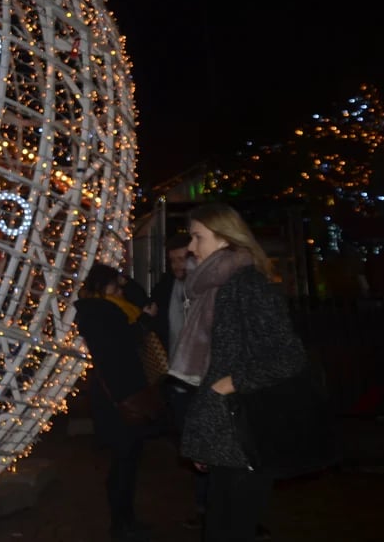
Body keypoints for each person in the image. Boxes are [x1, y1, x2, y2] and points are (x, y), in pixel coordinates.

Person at [176, 203, 306, 542]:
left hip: (246, 432)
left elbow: (289, 356)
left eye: (197, 237)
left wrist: (228, 385)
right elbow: (216, 362)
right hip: (225, 434)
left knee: (231, 529)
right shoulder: (214, 288)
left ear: (224, 240)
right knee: (221, 526)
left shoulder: (246, 285)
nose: (191, 247)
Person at [73, 262, 161, 542]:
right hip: (120, 398)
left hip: (118, 395)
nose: (122, 290)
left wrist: (125, 282)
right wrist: (144, 322)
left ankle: (125, 520)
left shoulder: (103, 309)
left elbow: (137, 299)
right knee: (124, 460)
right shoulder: (104, 312)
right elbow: (122, 348)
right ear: (105, 286)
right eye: (117, 285)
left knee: (127, 460)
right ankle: (121, 524)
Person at [151, 234, 208, 529]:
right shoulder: (165, 289)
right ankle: (202, 507)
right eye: (172, 260)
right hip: (179, 381)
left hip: (207, 379)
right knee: (193, 446)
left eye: (182, 258)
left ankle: (229, 510)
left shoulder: (208, 287)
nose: (177, 265)